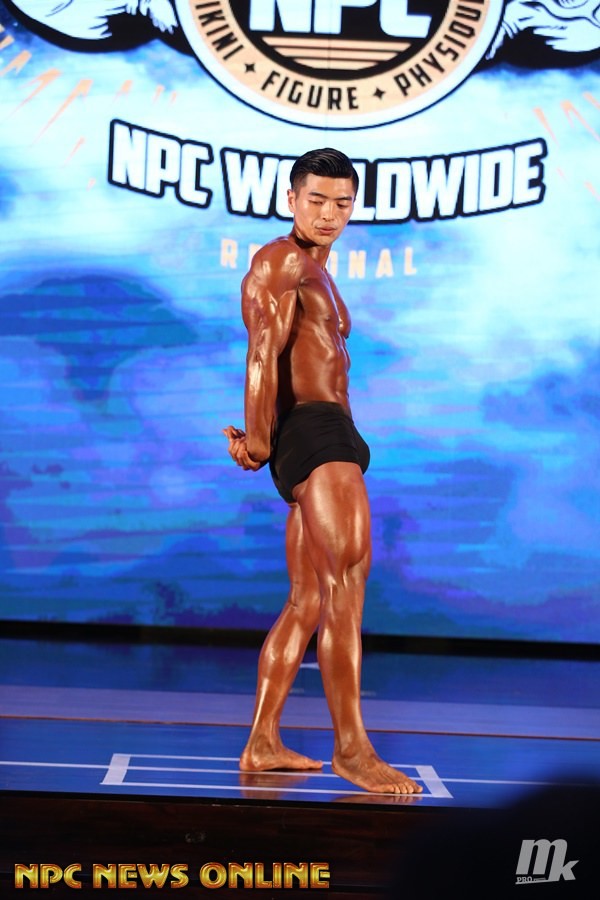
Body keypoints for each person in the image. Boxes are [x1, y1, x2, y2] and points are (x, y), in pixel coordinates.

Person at [224, 148, 421, 795]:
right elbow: (263, 350)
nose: (330, 213)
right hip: (314, 432)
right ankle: (353, 751)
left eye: (342, 202)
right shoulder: (281, 260)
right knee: (347, 586)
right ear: (291, 199)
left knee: (308, 598)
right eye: (317, 199)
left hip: (322, 431)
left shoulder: (317, 270)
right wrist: (258, 440)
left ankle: (262, 742)